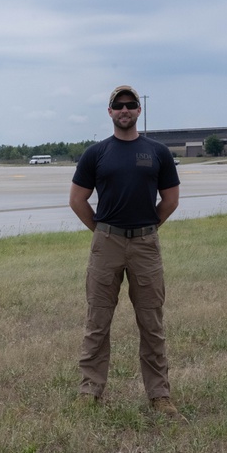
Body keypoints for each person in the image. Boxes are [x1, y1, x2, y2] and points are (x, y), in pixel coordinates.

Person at [69, 85, 181, 416]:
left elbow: (171, 200)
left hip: (146, 245)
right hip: (107, 244)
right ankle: (90, 390)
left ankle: (159, 395)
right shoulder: (96, 154)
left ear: (138, 111)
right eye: (118, 105)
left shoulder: (157, 152)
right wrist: (104, 231)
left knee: (151, 321)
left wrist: (146, 230)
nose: (125, 110)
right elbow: (77, 200)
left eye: (130, 105)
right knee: (98, 319)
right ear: (109, 112)